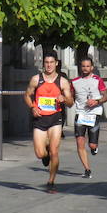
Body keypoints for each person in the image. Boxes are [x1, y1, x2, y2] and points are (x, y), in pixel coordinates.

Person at [24, 52, 75, 191]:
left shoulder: (63, 81)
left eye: (51, 62)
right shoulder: (36, 79)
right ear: (43, 64)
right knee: (40, 154)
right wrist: (33, 107)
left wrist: (64, 99)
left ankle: (51, 181)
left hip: (55, 118)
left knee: (54, 151)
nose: (49, 65)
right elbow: (27, 96)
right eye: (46, 62)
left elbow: (71, 102)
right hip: (40, 118)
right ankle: (45, 154)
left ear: (56, 63)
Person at [71, 56, 107, 179]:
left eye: (88, 66)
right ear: (80, 67)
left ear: (92, 67)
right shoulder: (75, 81)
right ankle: (87, 169)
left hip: (94, 114)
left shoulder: (98, 80)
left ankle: (94, 148)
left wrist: (97, 102)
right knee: (80, 142)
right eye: (83, 66)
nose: (85, 68)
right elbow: (70, 98)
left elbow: (106, 96)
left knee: (92, 145)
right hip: (81, 113)